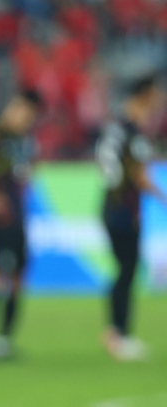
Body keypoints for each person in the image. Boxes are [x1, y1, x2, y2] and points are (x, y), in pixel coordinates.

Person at [95, 75, 166, 361]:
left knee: (126, 269)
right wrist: (162, 196)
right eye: (156, 96)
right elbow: (137, 174)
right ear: (144, 95)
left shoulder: (117, 128)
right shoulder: (130, 130)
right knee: (126, 269)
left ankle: (119, 333)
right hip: (122, 210)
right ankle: (117, 334)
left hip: (116, 207)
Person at [0, 91, 42, 358]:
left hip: (19, 217)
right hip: (1, 217)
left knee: (17, 277)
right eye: (23, 111)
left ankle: (3, 339)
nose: (27, 118)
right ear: (13, 108)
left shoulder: (25, 141)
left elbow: (27, 173)